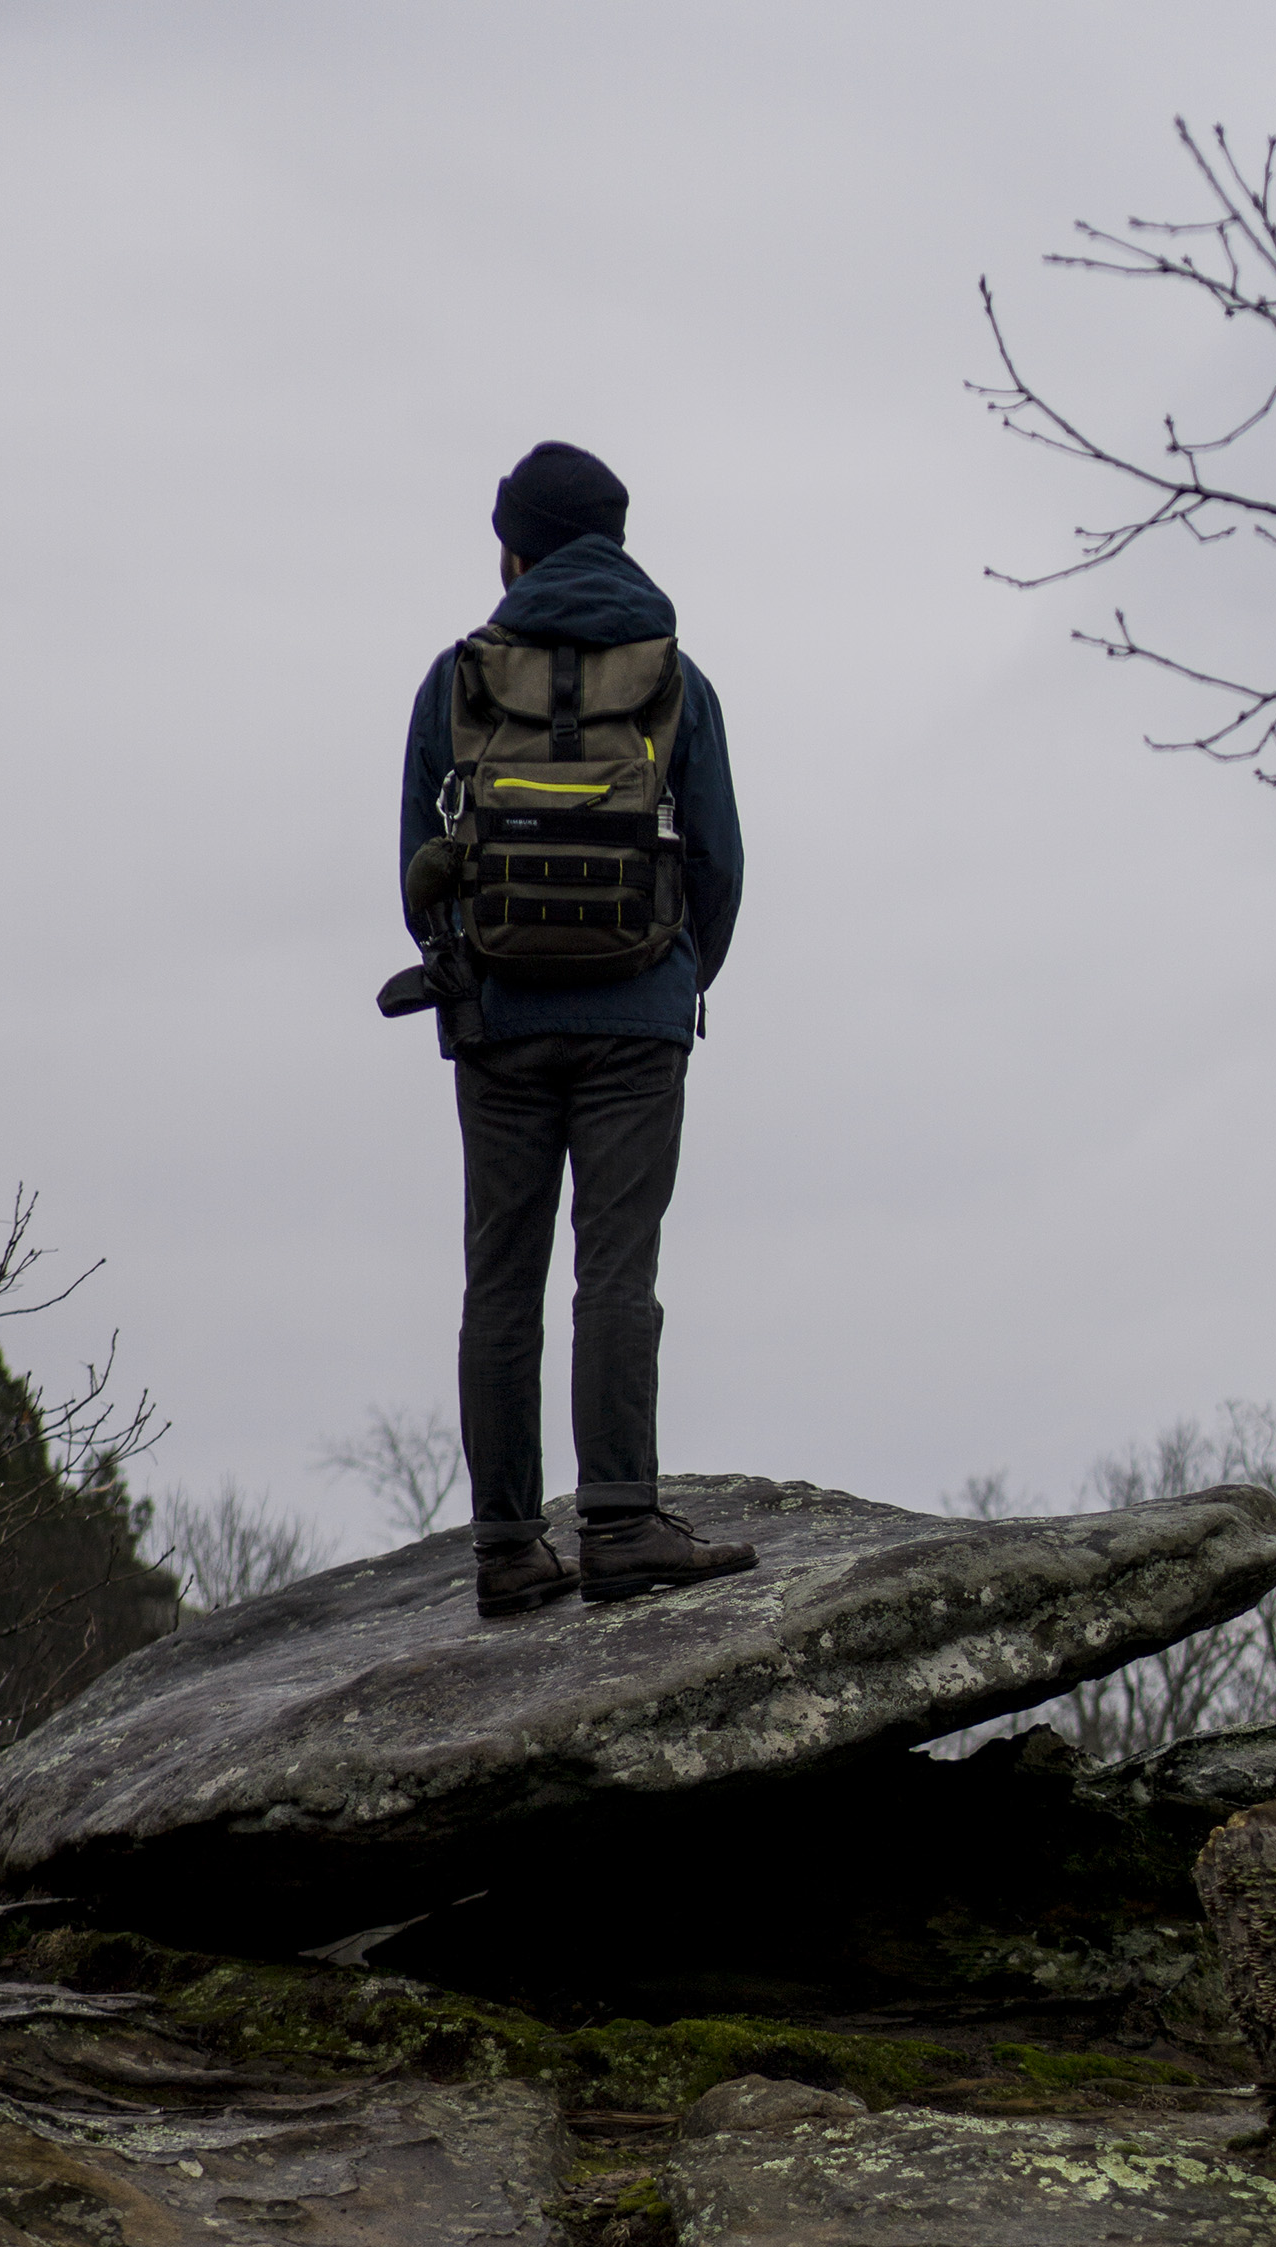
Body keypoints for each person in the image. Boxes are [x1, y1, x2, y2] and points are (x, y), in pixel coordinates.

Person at [396, 439, 757, 1618]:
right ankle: (621, 1522)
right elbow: (721, 862)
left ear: (516, 548)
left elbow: (419, 867)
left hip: (498, 1021)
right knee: (616, 1273)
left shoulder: (455, 684)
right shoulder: (674, 679)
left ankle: (506, 1546)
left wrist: (473, 976)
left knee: (498, 1282)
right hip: (636, 1020)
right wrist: (671, 975)